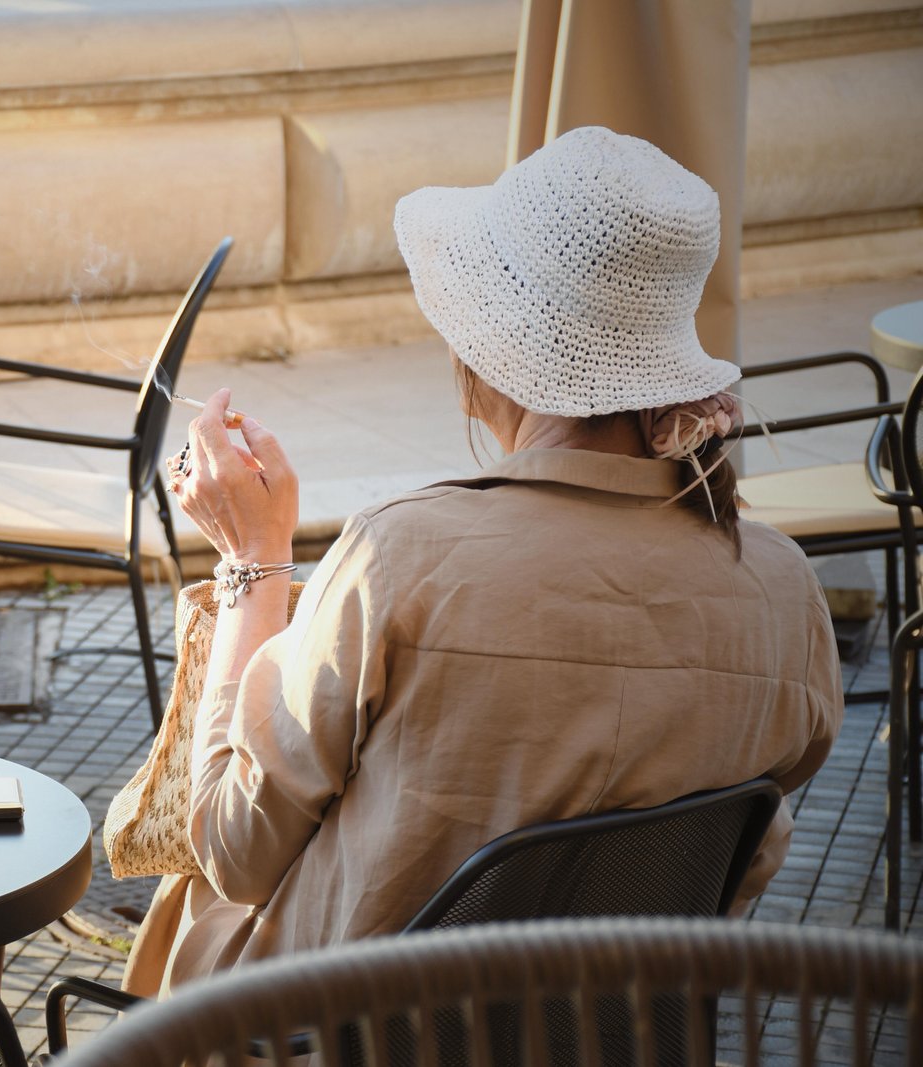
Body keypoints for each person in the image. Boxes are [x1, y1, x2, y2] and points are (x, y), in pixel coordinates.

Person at [124, 125, 843, 996]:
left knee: (191, 901)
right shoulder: (781, 589)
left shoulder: (402, 554)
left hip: (351, 1033)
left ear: (488, 351)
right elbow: (746, 851)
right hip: (612, 1031)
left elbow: (234, 848)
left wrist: (252, 559)